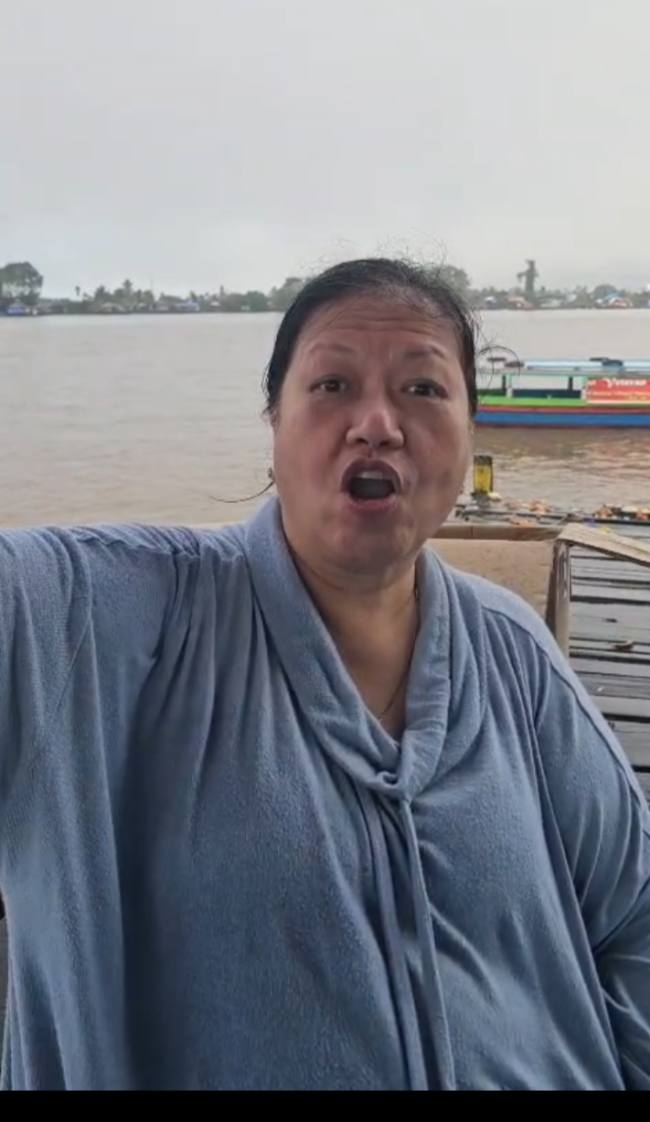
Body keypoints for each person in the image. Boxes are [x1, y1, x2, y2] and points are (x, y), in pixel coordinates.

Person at [0, 258, 648, 1091]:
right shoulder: (96, 619)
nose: (376, 423)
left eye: (423, 389)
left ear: (470, 433)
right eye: (332, 385)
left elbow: (634, 913)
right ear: (274, 421)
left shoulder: (514, 653)